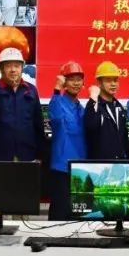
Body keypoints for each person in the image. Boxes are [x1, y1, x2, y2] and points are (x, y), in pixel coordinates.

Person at [0, 48, 46, 162]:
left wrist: (40, 154)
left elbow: (38, 123)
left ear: (22, 68)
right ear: (2, 69)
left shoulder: (31, 90)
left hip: (27, 154)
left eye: (16, 66)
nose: (13, 70)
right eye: (8, 66)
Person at [47, 61, 86, 220]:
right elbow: (55, 118)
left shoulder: (82, 109)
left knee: (79, 214)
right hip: (62, 168)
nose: (76, 83)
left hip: (80, 168)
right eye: (71, 79)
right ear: (64, 82)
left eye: (79, 79)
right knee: (59, 214)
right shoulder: (57, 102)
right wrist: (56, 89)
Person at [84, 61, 129, 160]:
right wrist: (93, 99)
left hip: (119, 164)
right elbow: (90, 126)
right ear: (99, 82)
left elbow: (124, 139)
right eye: (108, 80)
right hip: (100, 165)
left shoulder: (119, 107)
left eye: (115, 80)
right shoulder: (94, 105)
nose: (113, 84)